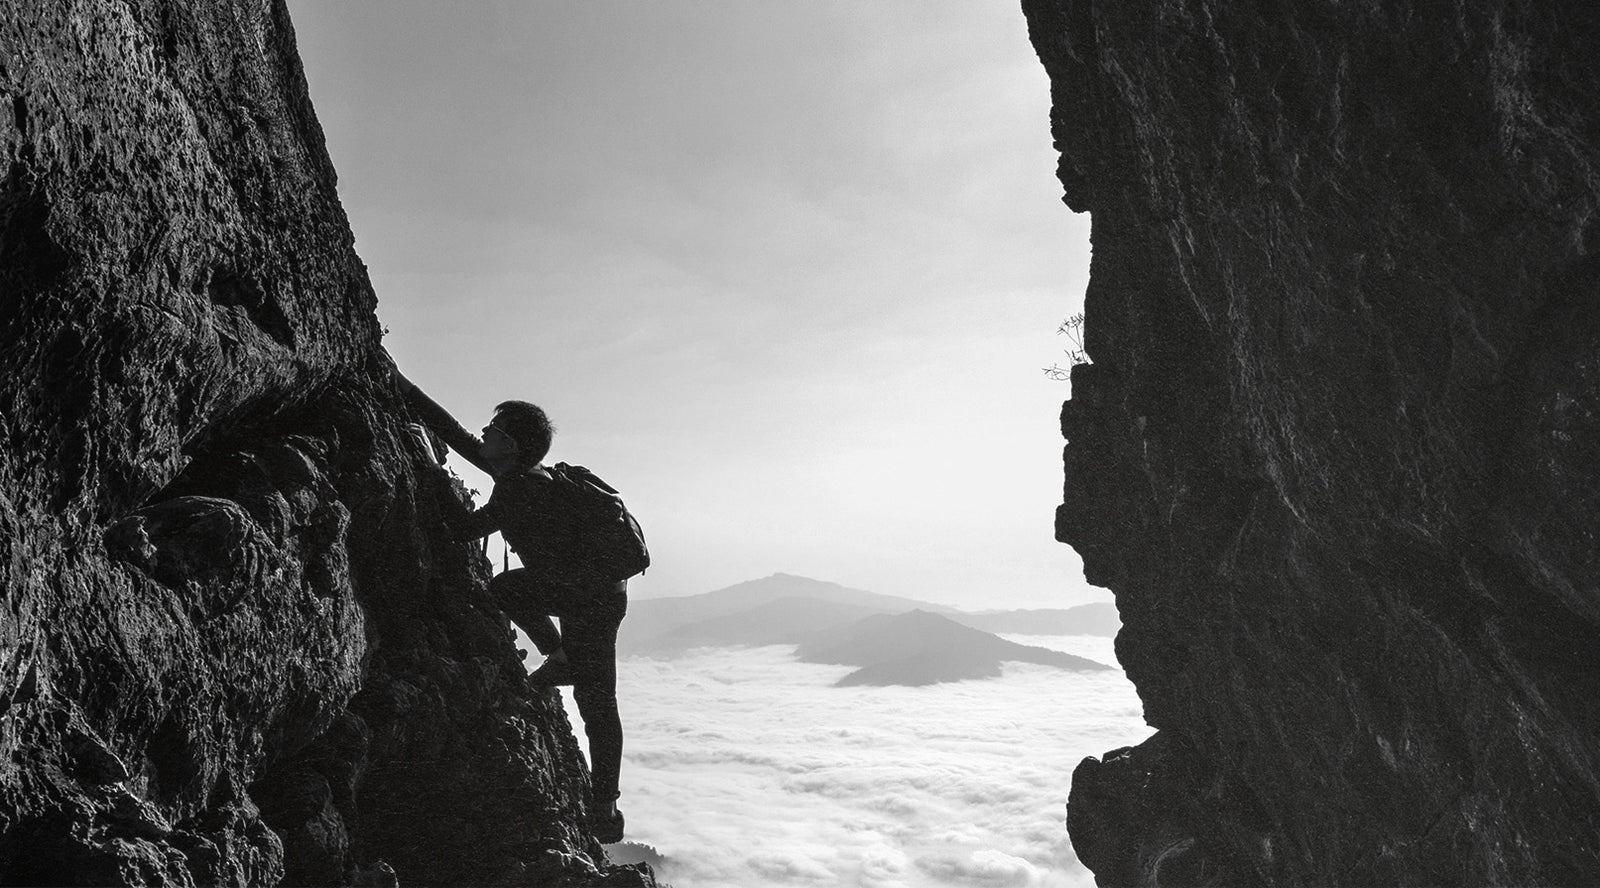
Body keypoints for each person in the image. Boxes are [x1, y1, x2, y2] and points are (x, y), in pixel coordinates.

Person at [394, 369, 629, 844]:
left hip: (591, 600)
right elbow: (458, 436)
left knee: (594, 699)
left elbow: (462, 529)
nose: (484, 433)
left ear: (512, 447)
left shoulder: (520, 488)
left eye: (494, 430)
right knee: (594, 692)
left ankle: (603, 804)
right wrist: (402, 387)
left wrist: (434, 478)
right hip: (599, 589)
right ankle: (563, 662)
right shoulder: (526, 476)